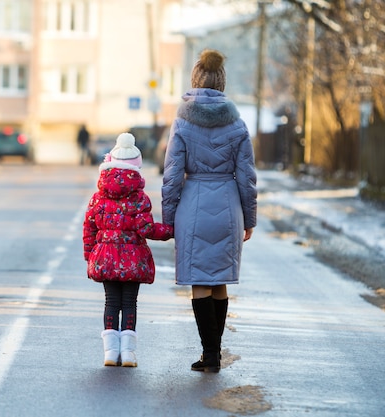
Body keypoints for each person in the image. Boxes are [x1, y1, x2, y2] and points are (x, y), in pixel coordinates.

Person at [161, 49, 257, 373]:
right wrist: (250, 217)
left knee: (200, 280)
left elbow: (173, 173)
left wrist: (169, 217)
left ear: (195, 79)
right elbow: (247, 175)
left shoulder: (182, 121)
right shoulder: (238, 123)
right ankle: (214, 352)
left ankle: (210, 355)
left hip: (194, 204)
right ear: (222, 82)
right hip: (229, 206)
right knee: (220, 281)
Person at [83, 132, 173, 367]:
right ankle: (129, 354)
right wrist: (171, 231)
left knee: (111, 301)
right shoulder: (139, 199)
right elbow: (146, 229)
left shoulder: (97, 198)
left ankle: (110, 353)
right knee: (130, 303)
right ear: (137, 168)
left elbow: (89, 227)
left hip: (105, 257)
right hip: (133, 259)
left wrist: (89, 254)